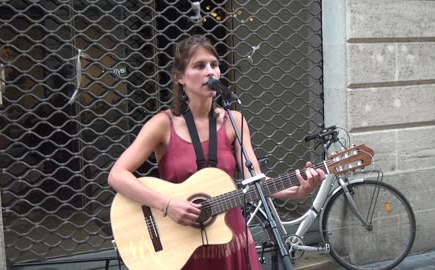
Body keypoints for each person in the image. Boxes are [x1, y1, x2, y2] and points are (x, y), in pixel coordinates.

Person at [107, 34, 326, 270]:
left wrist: (297, 191)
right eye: (199, 66)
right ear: (180, 77)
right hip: (183, 246)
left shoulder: (235, 121)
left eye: (214, 65)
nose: (209, 72)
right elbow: (117, 175)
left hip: (231, 241)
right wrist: (167, 204)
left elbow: (257, 181)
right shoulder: (163, 124)